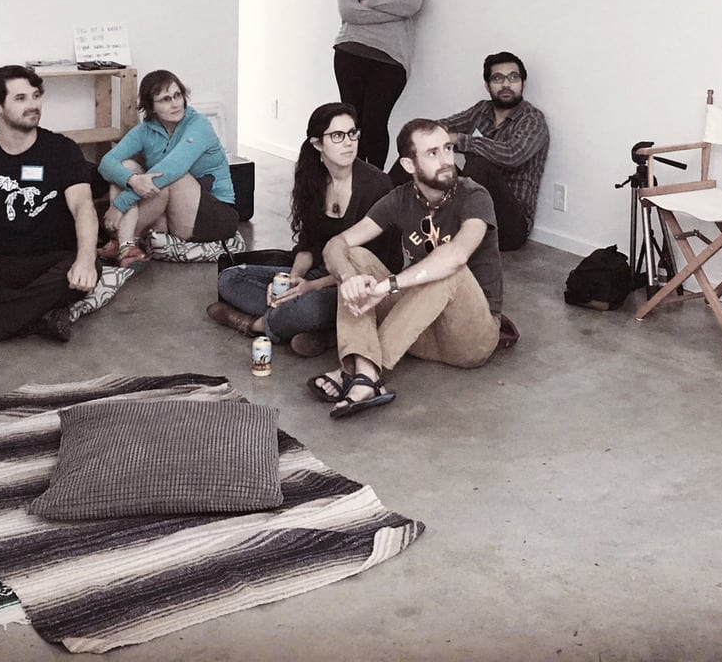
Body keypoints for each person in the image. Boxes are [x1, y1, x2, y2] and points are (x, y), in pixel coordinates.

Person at [312, 118, 507, 419]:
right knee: (356, 257)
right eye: (432, 153)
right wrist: (348, 277)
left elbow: (457, 255)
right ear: (408, 164)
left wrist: (388, 285)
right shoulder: (401, 198)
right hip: (420, 329)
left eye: (448, 149)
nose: (446, 160)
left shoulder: (474, 195)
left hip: (471, 337)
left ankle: (360, 370)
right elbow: (336, 244)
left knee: (448, 267)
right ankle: (363, 370)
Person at [209, 102, 394, 357]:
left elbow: (374, 264)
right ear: (317, 143)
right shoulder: (313, 177)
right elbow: (308, 243)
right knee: (230, 278)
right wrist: (294, 279)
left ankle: (256, 325)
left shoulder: (377, 185)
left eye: (353, 133)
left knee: (310, 308)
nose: (349, 143)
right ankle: (317, 331)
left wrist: (313, 287)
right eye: (337, 136)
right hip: (318, 272)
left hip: (360, 282)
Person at [0, 65, 99, 343]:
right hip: (2, 265)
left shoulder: (62, 150)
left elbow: (83, 206)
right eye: (21, 98)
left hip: (54, 261)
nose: (33, 105)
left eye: (36, 96)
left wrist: (85, 260)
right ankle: (35, 317)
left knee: (81, 271)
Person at [398, 50, 550, 252]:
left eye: (513, 78)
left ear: (523, 83)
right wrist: (428, 137)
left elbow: (512, 155)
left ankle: (448, 231)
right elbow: (444, 125)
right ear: (487, 85)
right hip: (472, 213)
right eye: (498, 78)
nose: (506, 84)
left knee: (479, 164)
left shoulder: (533, 119)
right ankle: (384, 220)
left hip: (510, 226)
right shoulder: (482, 110)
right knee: (416, 153)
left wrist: (459, 140)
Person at [97, 69, 239, 265]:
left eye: (177, 95)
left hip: (214, 215)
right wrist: (132, 180)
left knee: (171, 177)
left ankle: (119, 241)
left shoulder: (199, 125)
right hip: (173, 213)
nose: (175, 104)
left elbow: (172, 170)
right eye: (165, 99)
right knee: (126, 167)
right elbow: (106, 163)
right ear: (151, 107)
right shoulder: (144, 131)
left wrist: (120, 205)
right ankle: (126, 245)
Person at [333, 0, 424, 167]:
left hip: (390, 57)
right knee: (353, 123)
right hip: (350, 50)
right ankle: (353, 178)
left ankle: (374, 180)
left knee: (374, 121)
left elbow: (413, 4)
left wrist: (372, 3)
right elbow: (349, 12)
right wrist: (395, 10)